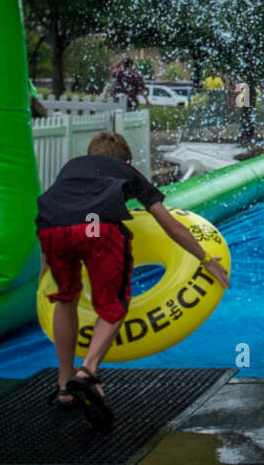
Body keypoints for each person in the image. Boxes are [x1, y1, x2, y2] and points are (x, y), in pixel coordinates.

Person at [36, 131, 231, 430]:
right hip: (97, 229)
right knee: (113, 306)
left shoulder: (72, 168)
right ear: (126, 160)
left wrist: (44, 270)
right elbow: (172, 227)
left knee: (66, 299)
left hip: (52, 230)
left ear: (90, 155)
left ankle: (64, 387)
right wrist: (205, 259)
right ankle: (87, 371)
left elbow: (57, 212)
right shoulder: (126, 171)